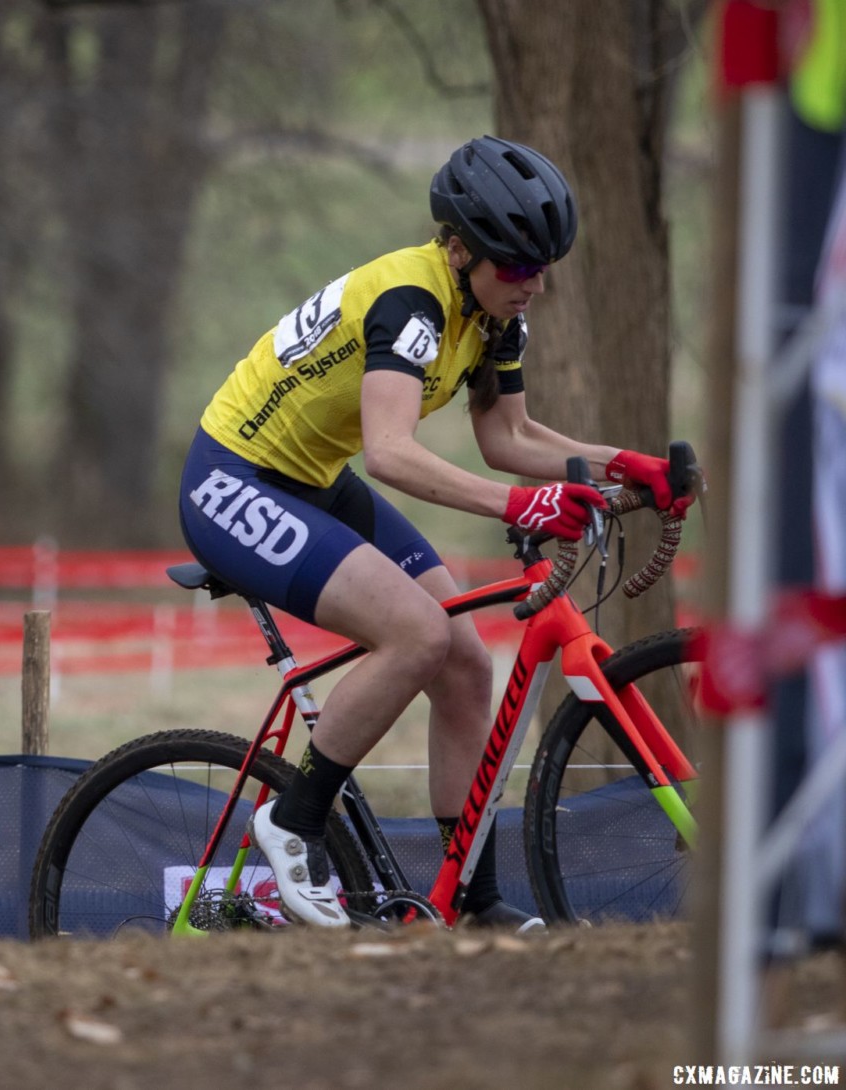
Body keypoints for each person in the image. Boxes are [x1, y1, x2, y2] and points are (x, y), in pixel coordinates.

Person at [179, 136, 695, 932]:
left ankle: (472, 896)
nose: (536, 286)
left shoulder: (493, 316)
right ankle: (294, 819)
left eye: (543, 268)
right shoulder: (412, 302)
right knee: (418, 634)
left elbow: (510, 438)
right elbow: (390, 452)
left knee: (461, 658)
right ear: (458, 250)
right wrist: (518, 507)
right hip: (234, 480)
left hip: (314, 478)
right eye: (518, 269)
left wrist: (628, 466)